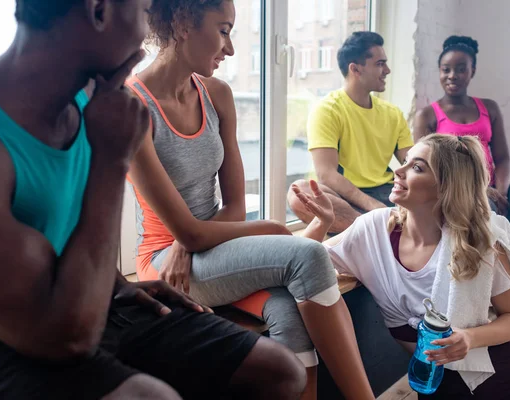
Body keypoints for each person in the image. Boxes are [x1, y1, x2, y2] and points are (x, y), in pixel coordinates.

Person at [0, 1, 309, 399]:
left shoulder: (88, 97)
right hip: (9, 342)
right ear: (99, 11)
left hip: (92, 300)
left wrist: (120, 286)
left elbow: (57, 232)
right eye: (145, 11)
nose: (151, 30)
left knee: (281, 372)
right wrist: (111, 162)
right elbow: (65, 338)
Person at [126, 1, 375, 399]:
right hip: (163, 264)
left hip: (209, 247)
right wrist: (272, 230)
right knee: (306, 256)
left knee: (288, 308)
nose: (231, 49)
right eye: (223, 30)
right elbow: (186, 232)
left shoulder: (216, 94)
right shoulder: (132, 106)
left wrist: (190, 240)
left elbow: (234, 209)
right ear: (182, 22)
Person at [293, 134, 510, 399]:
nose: (398, 170)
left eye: (417, 167)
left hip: (497, 370)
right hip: (435, 383)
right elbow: (298, 260)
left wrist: (468, 338)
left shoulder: (478, 243)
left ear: (445, 187)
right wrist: (320, 223)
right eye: (406, 161)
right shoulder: (372, 231)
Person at [414, 35, 510, 341]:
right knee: (492, 227)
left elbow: (503, 156)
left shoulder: (489, 108)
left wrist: (499, 187)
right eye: (446, 69)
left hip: (496, 189)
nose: (452, 75)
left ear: (472, 71)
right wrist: (480, 193)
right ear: (439, 71)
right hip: (459, 195)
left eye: (460, 68)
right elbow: (426, 166)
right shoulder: (428, 115)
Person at [287, 31, 414, 233]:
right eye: (380, 64)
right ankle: (373, 229)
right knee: (298, 192)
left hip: (388, 194)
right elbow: (326, 174)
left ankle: (379, 227)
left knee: (433, 187)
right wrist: (373, 207)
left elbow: (413, 162)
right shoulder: (327, 109)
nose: (387, 70)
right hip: (348, 199)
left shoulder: (393, 114)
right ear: (355, 69)